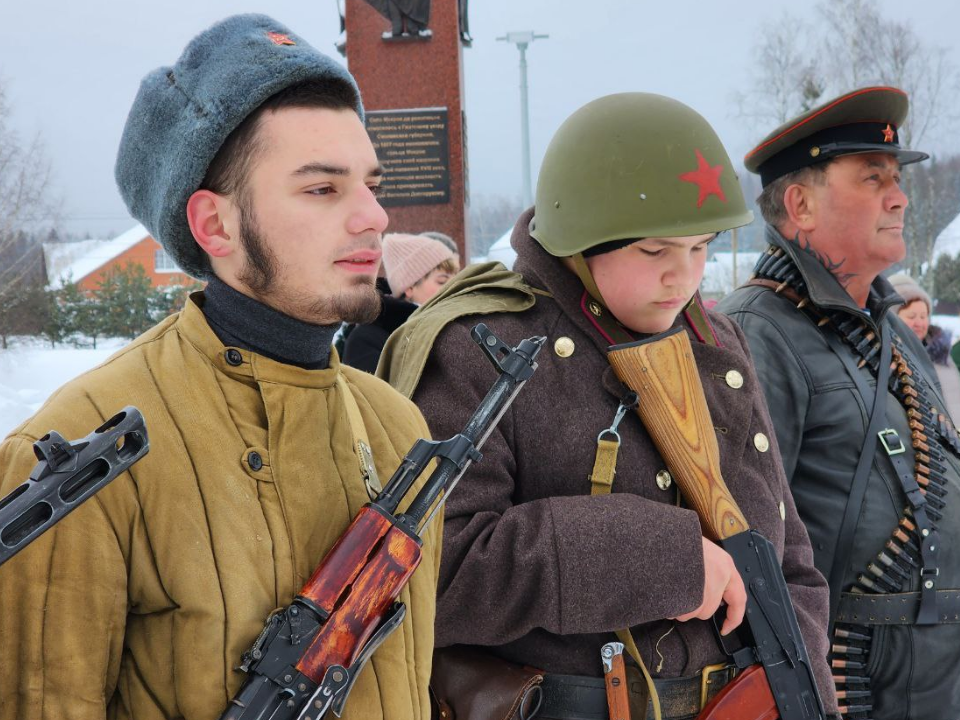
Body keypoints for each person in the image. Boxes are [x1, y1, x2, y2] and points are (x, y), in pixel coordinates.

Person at [0, 14, 440, 720]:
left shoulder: (398, 428)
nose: (375, 217)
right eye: (322, 189)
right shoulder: (83, 454)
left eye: (370, 183)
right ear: (215, 225)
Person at [379, 93, 838, 720]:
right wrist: (655, 557)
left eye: (700, 247)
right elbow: (437, 567)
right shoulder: (483, 347)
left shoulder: (716, 343)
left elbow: (789, 559)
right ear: (581, 241)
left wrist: (803, 686)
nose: (685, 278)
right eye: (655, 252)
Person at [718, 86, 960, 719]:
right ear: (800, 204)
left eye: (895, 178)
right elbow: (749, 541)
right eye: (872, 177)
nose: (900, 195)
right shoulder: (757, 331)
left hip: (928, 676)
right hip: (851, 685)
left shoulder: (887, 328)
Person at [342, 232, 456, 373]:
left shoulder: (450, 327)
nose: (453, 287)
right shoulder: (365, 341)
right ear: (410, 287)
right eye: (442, 281)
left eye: (456, 280)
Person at [889, 273, 960, 422]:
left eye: (923, 316)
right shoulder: (886, 357)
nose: (919, 323)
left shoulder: (941, 354)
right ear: (892, 318)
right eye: (911, 316)